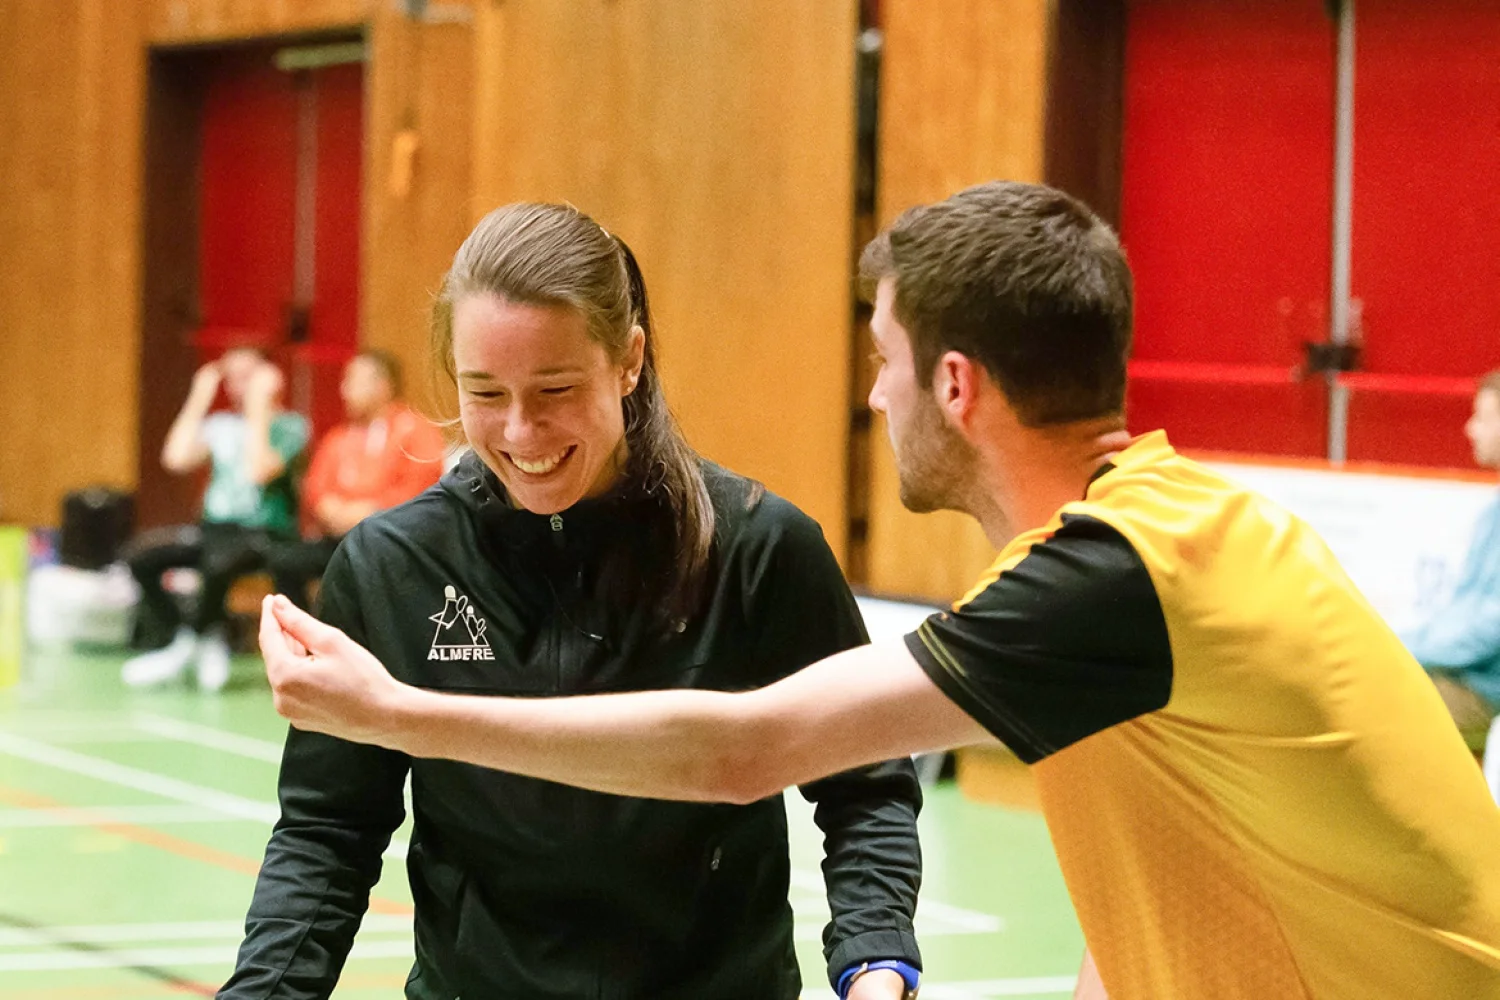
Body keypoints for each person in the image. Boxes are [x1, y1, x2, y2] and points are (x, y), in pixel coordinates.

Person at [261, 181, 1500, 1000]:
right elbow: (1158, 897)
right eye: (489, 393)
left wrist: (395, 710)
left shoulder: (1114, 580)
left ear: (953, 385)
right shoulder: (1154, 550)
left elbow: (749, 751)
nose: (873, 397)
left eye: (882, 362)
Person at [223, 204, 924, 1000]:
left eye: (555, 388)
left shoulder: (759, 547)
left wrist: (874, 961)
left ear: (629, 361)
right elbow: (327, 832)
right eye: (484, 392)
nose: (522, 432)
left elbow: (864, 781)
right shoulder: (393, 567)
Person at [123, 346, 308, 691]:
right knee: (142, 556)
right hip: (214, 530)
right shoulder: (221, 426)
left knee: (219, 562)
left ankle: (192, 643)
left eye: (248, 377)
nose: (240, 386)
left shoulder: (291, 427)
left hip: (263, 533)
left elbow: (259, 469)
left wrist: (259, 407)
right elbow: (175, 458)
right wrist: (199, 396)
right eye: (232, 378)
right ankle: (192, 636)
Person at [266, 349, 446, 609]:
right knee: (284, 559)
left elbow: (422, 487)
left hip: (392, 541)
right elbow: (315, 487)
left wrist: (369, 511)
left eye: (352, 381)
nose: (343, 390)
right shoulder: (339, 436)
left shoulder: (416, 430)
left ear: (383, 386)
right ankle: (306, 639)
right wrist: (329, 510)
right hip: (339, 540)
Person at [1402, 369, 1500, 751]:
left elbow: (1490, 629)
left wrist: (1408, 650)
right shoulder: (1491, 512)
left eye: (1482, 418)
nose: (1469, 429)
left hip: (1485, 691)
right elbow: (1463, 613)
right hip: (1465, 679)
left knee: (1383, 711)